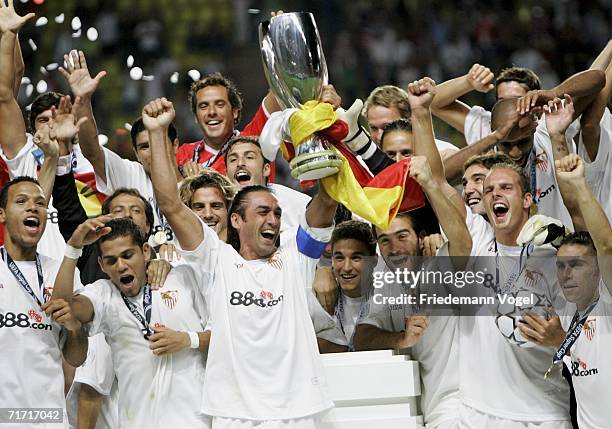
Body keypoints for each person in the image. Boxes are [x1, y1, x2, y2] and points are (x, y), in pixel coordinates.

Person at [146, 96, 347, 427]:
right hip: (234, 414)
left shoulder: (295, 259)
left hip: (297, 412)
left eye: (277, 213)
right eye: (263, 212)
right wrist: (157, 133)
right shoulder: (216, 260)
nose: (273, 219)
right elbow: (170, 204)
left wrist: (326, 130)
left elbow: (326, 201)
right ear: (236, 221)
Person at [51, 217, 212, 429]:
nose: (121, 266)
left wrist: (187, 340)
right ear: (101, 265)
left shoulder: (184, 278)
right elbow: (63, 308)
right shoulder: (104, 294)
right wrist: (73, 248)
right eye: (111, 260)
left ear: (145, 251)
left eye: (128, 255)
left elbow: (225, 338)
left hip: (193, 421)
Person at [0, 176, 87, 425]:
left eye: (40, 203)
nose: (33, 207)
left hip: (47, 417)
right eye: (21, 201)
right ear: (2, 214)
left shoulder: (62, 273)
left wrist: (74, 327)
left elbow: (77, 357)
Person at [552, 154, 612, 428]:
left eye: (576, 265)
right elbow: (573, 213)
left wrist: (579, 183)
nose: (566, 274)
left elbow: (606, 245)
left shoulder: (607, 302)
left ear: (597, 270)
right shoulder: (567, 314)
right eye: (561, 266)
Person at [224, 135, 312, 243]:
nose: (240, 163)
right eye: (233, 159)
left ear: (266, 169)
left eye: (249, 157)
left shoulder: (299, 205)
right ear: (226, 173)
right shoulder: (216, 207)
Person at [328, 220, 377, 348]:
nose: (347, 267)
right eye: (339, 257)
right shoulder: (321, 299)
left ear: (374, 260)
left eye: (356, 258)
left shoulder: (388, 299)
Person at [178, 169, 236, 241]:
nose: (208, 215)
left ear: (229, 209)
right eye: (199, 207)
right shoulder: (177, 250)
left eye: (216, 206)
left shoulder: (245, 249)